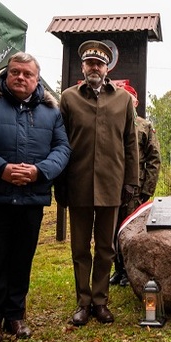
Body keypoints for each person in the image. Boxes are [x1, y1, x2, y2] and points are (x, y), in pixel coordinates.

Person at [0, 53, 71, 342]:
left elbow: (62, 148)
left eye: (27, 74)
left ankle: (15, 316)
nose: (20, 78)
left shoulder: (51, 111)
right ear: (6, 75)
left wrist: (39, 171)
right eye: (15, 72)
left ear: (37, 80)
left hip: (32, 197)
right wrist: (1, 169)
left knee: (22, 258)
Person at [58, 40, 139, 326]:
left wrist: (131, 181)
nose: (95, 67)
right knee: (80, 247)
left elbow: (131, 142)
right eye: (90, 62)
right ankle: (83, 302)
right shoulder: (68, 98)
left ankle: (100, 301)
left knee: (106, 247)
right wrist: (60, 183)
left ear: (107, 68)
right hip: (77, 182)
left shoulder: (123, 100)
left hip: (111, 184)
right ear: (83, 67)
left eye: (100, 63)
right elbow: (59, 142)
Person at [112, 83, 161, 287]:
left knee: (130, 231)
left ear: (136, 102)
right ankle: (118, 269)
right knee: (112, 231)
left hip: (135, 190)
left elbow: (154, 160)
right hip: (111, 187)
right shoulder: (111, 123)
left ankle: (130, 272)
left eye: (128, 97)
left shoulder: (144, 126)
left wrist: (146, 191)